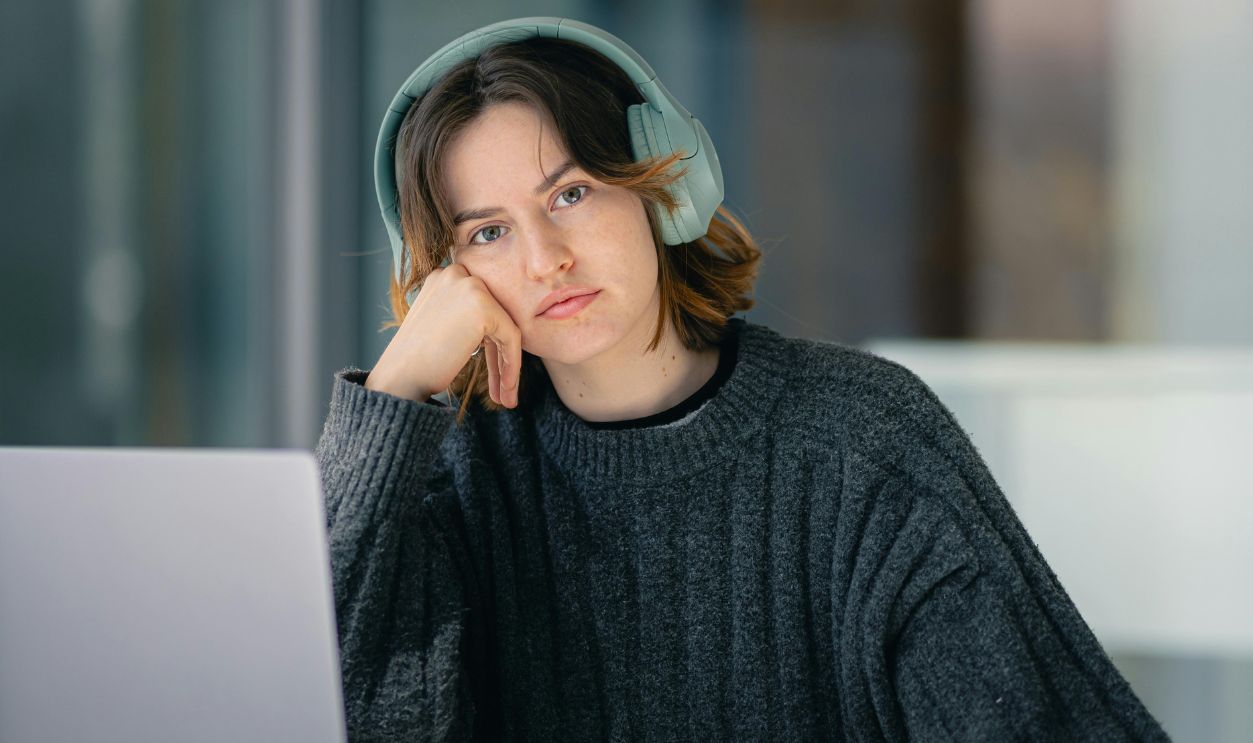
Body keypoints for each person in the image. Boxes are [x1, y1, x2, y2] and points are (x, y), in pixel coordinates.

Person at [313, 18, 1171, 742]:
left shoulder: (862, 441)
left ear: (664, 185)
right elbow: (312, 705)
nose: (545, 260)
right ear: (446, 275)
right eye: (488, 233)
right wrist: (390, 397)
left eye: (570, 193)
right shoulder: (451, 482)